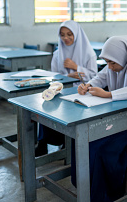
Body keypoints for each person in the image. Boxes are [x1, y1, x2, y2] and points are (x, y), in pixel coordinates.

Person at [75, 35, 127, 202]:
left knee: (102, 149)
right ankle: (87, 188)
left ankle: (108, 194)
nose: (109, 67)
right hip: (118, 118)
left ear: (126, 57)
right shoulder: (112, 66)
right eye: (107, 62)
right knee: (85, 141)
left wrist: (109, 94)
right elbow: (100, 77)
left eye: (113, 63)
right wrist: (88, 85)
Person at [36, 20, 98, 156]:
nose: (66, 38)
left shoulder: (89, 53)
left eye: (70, 34)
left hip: (82, 92)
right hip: (62, 91)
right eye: (62, 35)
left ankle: (68, 141)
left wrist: (77, 68)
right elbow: (54, 77)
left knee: (74, 110)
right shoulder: (57, 54)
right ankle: (42, 143)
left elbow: (95, 77)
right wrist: (68, 76)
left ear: (77, 34)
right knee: (46, 106)